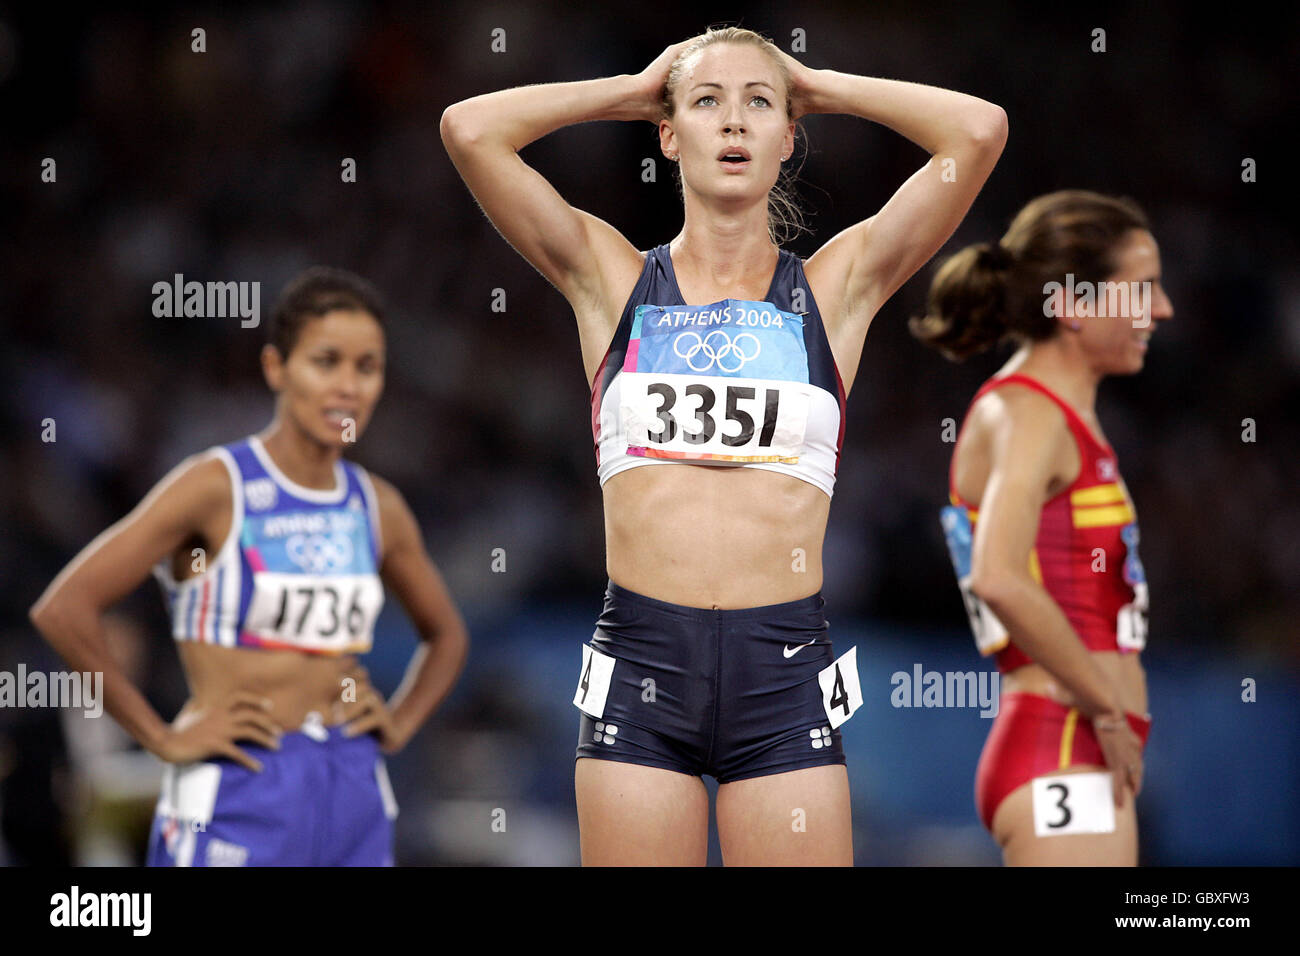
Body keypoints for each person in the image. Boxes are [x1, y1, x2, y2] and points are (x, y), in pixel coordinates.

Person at [442, 25, 1006, 865]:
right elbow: (469, 128)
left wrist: (818, 83)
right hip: (642, 667)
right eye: (707, 103)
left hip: (782, 678)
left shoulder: (835, 289)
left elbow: (979, 131)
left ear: (789, 137)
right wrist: (632, 89)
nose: (734, 124)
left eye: (759, 106)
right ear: (667, 136)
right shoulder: (612, 279)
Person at [29, 267, 469, 866]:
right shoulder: (215, 485)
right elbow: (64, 608)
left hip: (352, 784)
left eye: (367, 367)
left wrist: (398, 721)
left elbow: (446, 635)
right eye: (327, 361)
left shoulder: (378, 505)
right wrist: (159, 737)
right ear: (275, 368)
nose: (348, 385)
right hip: (238, 783)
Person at [913, 189, 1174, 865]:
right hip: (1063, 739)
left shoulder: (1055, 413)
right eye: (1141, 289)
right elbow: (996, 575)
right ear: (1076, 305)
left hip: (1069, 742)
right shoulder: (1029, 415)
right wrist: (1106, 707)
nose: (1163, 309)